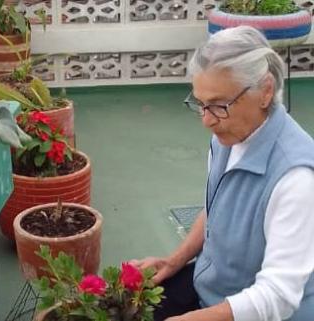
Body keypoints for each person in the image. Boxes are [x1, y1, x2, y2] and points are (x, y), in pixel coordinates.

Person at [131, 26, 314, 321]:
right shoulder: (229, 135)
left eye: (218, 105)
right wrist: (174, 260)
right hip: (212, 289)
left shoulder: (296, 179)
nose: (206, 120)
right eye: (201, 104)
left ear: (265, 91)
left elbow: (278, 297)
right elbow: (215, 209)